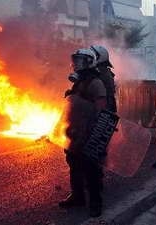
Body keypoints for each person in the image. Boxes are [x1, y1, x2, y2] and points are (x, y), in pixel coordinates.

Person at [60, 48, 107, 217]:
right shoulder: (79, 82)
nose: (75, 64)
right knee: (74, 165)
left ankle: (96, 203)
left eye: (80, 60)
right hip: (76, 131)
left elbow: (101, 110)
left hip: (89, 132)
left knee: (91, 170)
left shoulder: (95, 82)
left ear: (89, 62)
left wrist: (93, 135)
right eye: (75, 60)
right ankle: (77, 196)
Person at [90, 45, 117, 113]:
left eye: (92, 55)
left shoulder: (100, 72)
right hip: (103, 108)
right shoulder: (103, 71)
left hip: (101, 110)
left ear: (99, 57)